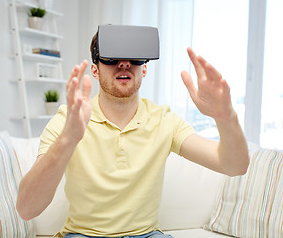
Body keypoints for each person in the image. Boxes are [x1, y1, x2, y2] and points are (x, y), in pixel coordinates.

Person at [16, 26, 249, 238]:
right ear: (95, 70)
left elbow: (234, 166)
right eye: (112, 57)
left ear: (144, 69)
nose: (124, 63)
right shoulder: (69, 120)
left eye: (134, 58)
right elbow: (27, 209)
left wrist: (225, 116)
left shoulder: (164, 119)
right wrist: (69, 138)